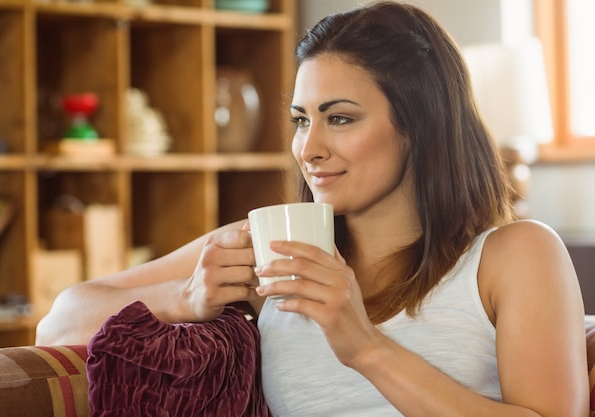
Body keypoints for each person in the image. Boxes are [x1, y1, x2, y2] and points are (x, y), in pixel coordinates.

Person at [36, 1, 589, 416]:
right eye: (302, 119)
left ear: (420, 126)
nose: (308, 147)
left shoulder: (514, 255)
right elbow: (58, 322)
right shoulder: (272, 251)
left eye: (340, 117)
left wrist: (366, 347)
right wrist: (185, 297)